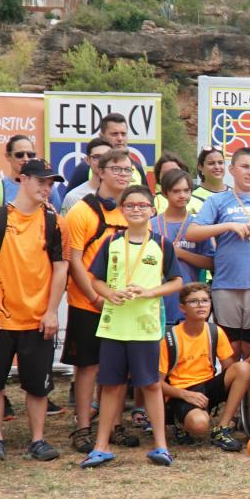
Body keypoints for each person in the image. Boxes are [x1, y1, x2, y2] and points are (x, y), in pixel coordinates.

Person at [0, 158, 67, 463]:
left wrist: (52, 311)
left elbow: (61, 269)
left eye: (50, 184)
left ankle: (37, 439)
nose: (46, 189)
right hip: (0, 316)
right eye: (41, 182)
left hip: (37, 318)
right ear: (23, 179)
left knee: (38, 385)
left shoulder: (55, 222)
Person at [82, 185, 183, 468]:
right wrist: (109, 293)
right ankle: (101, 446)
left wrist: (151, 292)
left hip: (145, 326)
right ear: (122, 209)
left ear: (152, 210)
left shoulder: (162, 244)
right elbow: (95, 279)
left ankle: (161, 446)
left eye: (142, 205)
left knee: (150, 384)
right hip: (114, 325)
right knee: (111, 385)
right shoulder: (111, 242)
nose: (136, 210)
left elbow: (177, 281)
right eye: (130, 205)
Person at [60, 148, 135, 453]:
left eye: (127, 170)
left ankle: (113, 424)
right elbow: (74, 260)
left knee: (116, 367)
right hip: (87, 302)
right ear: (100, 172)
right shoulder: (82, 211)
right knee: (88, 367)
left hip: (122, 302)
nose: (123, 175)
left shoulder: (131, 210)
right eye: (116, 169)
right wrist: (94, 297)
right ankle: (82, 428)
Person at [188, 146, 250, 355]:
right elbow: (192, 233)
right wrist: (228, 226)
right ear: (232, 170)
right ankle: (230, 379)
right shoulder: (217, 200)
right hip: (226, 284)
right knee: (230, 348)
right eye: (245, 167)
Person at [159, 284, 250, 450]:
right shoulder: (169, 337)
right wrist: (185, 394)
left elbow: (231, 369)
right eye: (193, 301)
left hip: (207, 387)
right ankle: (178, 422)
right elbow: (156, 383)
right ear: (182, 308)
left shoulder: (215, 331)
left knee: (243, 368)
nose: (201, 305)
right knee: (200, 425)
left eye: (205, 301)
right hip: (181, 392)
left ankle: (222, 429)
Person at [154, 169, 209, 327]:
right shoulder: (151, 224)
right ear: (165, 193)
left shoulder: (197, 226)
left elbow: (211, 262)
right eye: (176, 191)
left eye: (186, 190)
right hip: (157, 301)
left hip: (189, 302)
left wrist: (181, 253)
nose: (182, 195)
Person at [61, 112, 142, 190]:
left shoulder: (136, 167)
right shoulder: (86, 168)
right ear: (101, 136)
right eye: (114, 134)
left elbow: (146, 197)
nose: (120, 138)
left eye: (123, 134)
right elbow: (71, 197)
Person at [54, 138, 113, 213]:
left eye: (107, 157)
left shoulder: (121, 193)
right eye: (97, 157)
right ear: (87, 160)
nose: (102, 161)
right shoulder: (73, 197)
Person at [0, 134, 38, 207]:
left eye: (30, 155)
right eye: (19, 155)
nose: (26, 159)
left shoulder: (46, 189)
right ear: (8, 156)